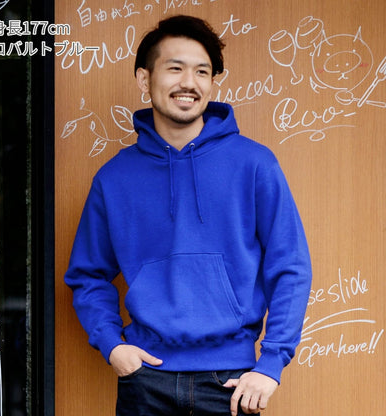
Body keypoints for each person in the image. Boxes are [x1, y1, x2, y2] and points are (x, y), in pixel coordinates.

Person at [65, 15, 312, 416]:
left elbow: (290, 266)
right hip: (145, 379)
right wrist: (113, 346)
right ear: (145, 79)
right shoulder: (114, 178)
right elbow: (88, 275)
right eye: (175, 68)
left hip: (231, 383)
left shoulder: (254, 164)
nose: (189, 83)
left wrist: (271, 363)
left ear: (212, 82)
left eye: (201, 71)